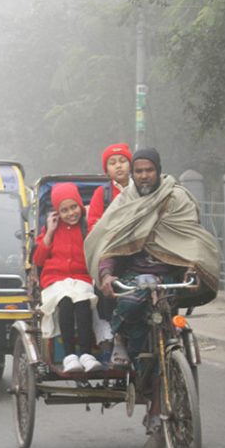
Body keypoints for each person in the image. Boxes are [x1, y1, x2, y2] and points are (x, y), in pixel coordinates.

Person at [84, 147, 220, 448]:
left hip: (169, 277)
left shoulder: (177, 198)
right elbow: (110, 241)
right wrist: (106, 274)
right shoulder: (125, 202)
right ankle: (123, 342)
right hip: (133, 277)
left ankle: (160, 416)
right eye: (139, 171)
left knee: (167, 346)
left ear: (158, 170)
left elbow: (192, 240)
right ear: (133, 174)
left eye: (149, 170)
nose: (144, 176)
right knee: (131, 308)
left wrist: (191, 269)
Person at [33, 182, 103, 373]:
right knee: (64, 302)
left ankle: (87, 354)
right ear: (57, 212)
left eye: (74, 207)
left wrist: (89, 219)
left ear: (80, 205)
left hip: (81, 278)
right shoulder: (51, 230)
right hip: (55, 280)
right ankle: (69, 355)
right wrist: (49, 231)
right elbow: (38, 259)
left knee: (82, 303)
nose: (71, 213)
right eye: (64, 210)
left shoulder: (87, 226)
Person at [89, 143, 134, 368]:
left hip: (138, 253)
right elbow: (94, 227)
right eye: (113, 163)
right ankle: (115, 339)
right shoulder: (103, 194)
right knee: (105, 291)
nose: (119, 166)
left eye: (122, 161)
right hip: (110, 254)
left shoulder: (143, 189)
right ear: (107, 170)